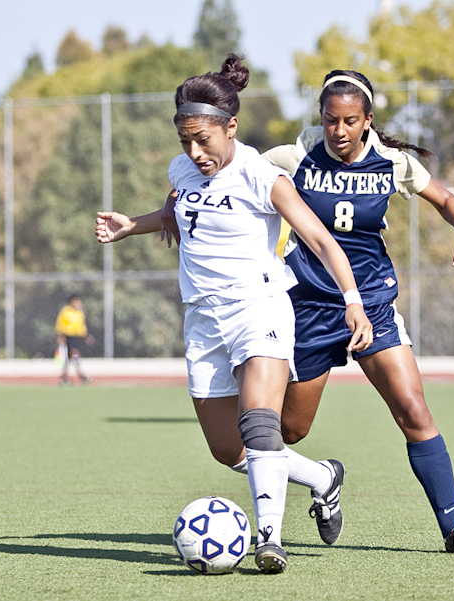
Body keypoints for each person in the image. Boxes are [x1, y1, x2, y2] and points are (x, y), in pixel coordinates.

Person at [160, 69, 454, 553]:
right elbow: (208, 173)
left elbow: (447, 199)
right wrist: (171, 209)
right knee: (288, 430)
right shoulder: (293, 156)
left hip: (372, 305)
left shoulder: (393, 162)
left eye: (349, 121)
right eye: (329, 119)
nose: (338, 131)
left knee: (413, 410)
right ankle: (323, 480)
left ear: (368, 120)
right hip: (309, 309)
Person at [96, 54, 371, 573]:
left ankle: (270, 539)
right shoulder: (182, 170)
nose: (195, 152)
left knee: (261, 425)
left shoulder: (260, 176)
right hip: (203, 320)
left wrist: (353, 302)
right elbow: (177, 213)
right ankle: (322, 478)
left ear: (232, 126)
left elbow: (320, 239)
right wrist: (131, 225)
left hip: (259, 306)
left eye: (205, 140)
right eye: (186, 142)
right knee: (229, 450)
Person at [55, 295, 94, 386]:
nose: (78, 304)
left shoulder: (79, 313)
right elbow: (60, 323)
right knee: (74, 354)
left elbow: (81, 326)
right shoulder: (66, 311)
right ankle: (82, 376)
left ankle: (64, 378)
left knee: (69, 358)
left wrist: (86, 336)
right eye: (76, 302)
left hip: (77, 337)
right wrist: (60, 335)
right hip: (68, 335)